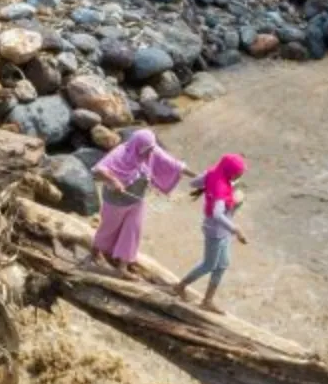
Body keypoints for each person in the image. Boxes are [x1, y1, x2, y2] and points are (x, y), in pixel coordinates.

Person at [92, 127, 189, 271]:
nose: (151, 152)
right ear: (137, 145)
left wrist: (203, 177)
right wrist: (114, 181)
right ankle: (96, 252)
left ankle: (122, 266)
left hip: (137, 200)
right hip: (116, 201)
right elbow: (98, 170)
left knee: (132, 231)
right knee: (108, 229)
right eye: (147, 149)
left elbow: (174, 164)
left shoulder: (151, 151)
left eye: (151, 148)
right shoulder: (120, 154)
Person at [172, 154, 247, 312]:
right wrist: (236, 230)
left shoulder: (213, 173)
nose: (240, 176)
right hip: (215, 231)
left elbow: (193, 183)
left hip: (221, 230)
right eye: (238, 173)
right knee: (208, 265)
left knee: (223, 264)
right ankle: (180, 286)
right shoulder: (221, 186)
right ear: (230, 171)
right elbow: (217, 213)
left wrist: (208, 185)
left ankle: (208, 300)